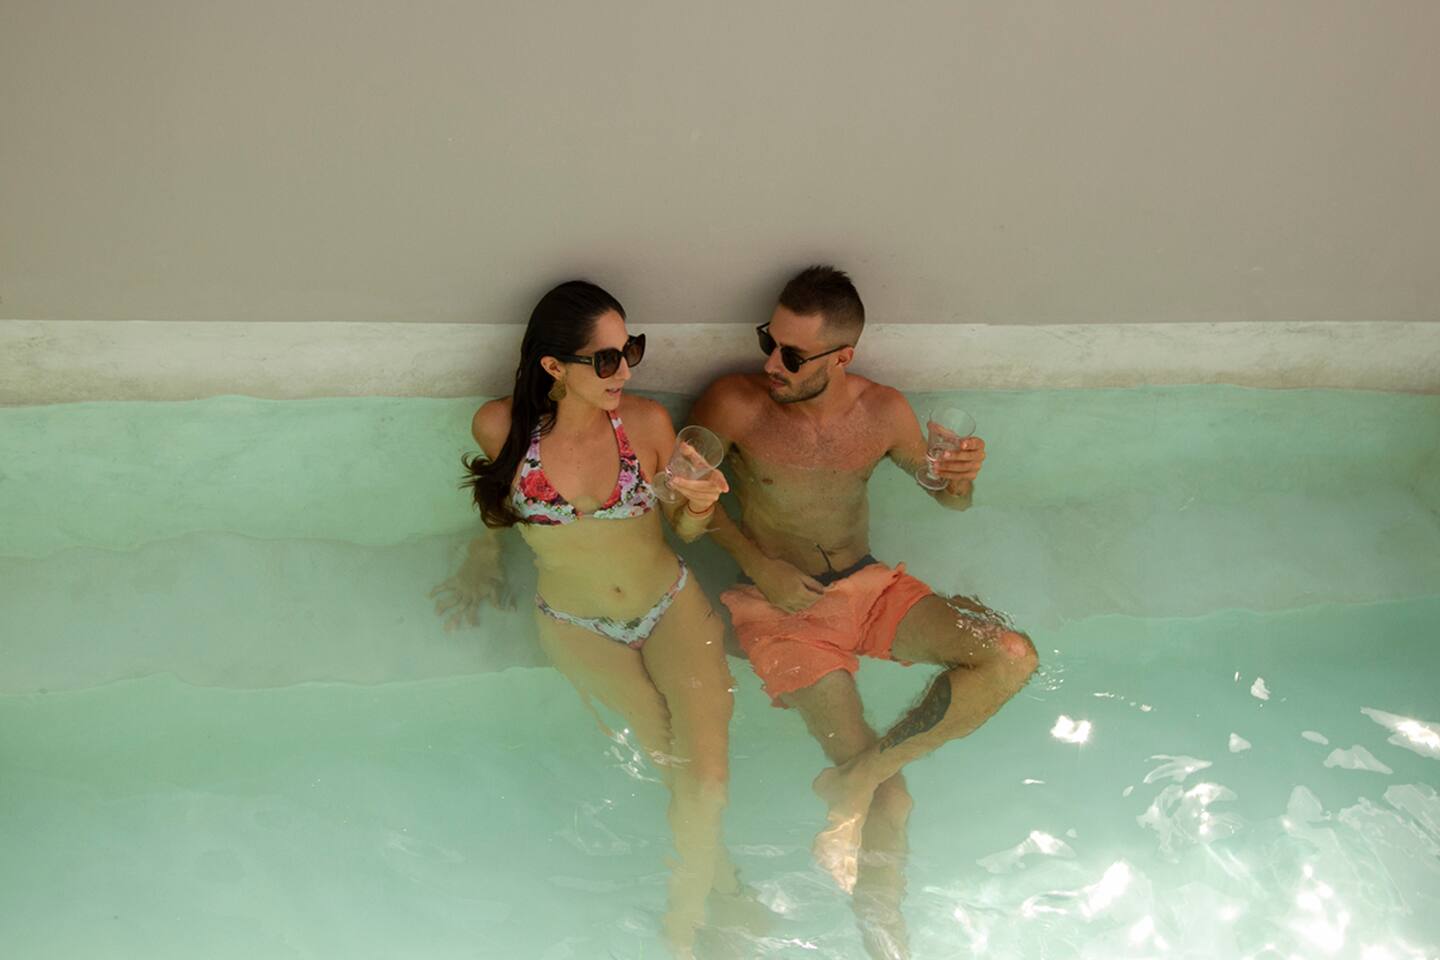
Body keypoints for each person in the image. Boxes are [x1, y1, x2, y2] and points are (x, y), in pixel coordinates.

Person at [689, 266, 1039, 960]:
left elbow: (948, 498)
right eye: (768, 341)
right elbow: (686, 504)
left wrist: (961, 480)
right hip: (781, 607)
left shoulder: (883, 411)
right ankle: (888, 944)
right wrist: (758, 562)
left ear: (842, 356)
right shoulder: (735, 404)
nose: (771, 362)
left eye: (792, 354)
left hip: (871, 587)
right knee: (894, 802)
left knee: (1011, 655)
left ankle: (857, 777)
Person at [429, 280, 743, 958]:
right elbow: (497, 501)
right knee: (672, 766)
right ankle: (719, 907)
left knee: (708, 780)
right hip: (577, 625)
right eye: (605, 359)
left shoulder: (647, 427)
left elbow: (687, 530)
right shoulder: (500, 428)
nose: (624, 371)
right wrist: (481, 560)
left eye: (630, 350)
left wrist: (701, 502)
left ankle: (684, 929)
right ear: (553, 367)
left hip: (669, 606)